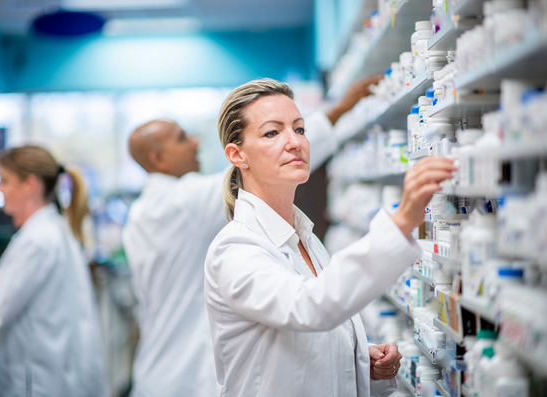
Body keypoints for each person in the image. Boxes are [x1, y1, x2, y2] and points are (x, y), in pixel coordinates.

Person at [122, 75, 381, 397]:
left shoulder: (142, 212)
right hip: (185, 374)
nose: (195, 142)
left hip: (162, 361)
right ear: (157, 159)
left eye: (300, 129)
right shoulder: (183, 205)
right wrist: (340, 108)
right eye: (180, 138)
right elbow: (262, 168)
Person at [204, 78, 457, 397]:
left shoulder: (305, 239)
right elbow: (308, 307)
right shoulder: (236, 249)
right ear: (237, 155)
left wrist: (362, 359)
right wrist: (402, 220)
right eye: (272, 132)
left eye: (299, 129)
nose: (294, 142)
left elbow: (305, 342)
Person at [0, 145, 108, 397]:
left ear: (30, 184)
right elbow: (28, 303)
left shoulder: (36, 241)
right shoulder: (53, 229)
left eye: (5, 180)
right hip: (56, 374)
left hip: (41, 382)